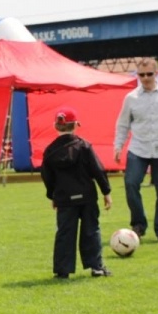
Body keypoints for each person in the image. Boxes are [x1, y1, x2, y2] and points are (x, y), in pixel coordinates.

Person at [113, 58, 158, 242]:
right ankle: (138, 225)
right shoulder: (131, 98)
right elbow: (123, 124)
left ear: (157, 73)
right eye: (141, 75)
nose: (145, 78)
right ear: (137, 75)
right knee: (131, 184)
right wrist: (118, 146)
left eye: (149, 74)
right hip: (138, 148)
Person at [41, 108, 113, 279]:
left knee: (65, 232)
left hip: (64, 198)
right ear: (75, 125)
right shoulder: (84, 146)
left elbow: (47, 176)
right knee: (91, 229)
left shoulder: (50, 151)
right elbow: (97, 170)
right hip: (87, 196)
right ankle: (96, 267)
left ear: (55, 126)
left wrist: (52, 195)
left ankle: (62, 271)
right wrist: (106, 191)